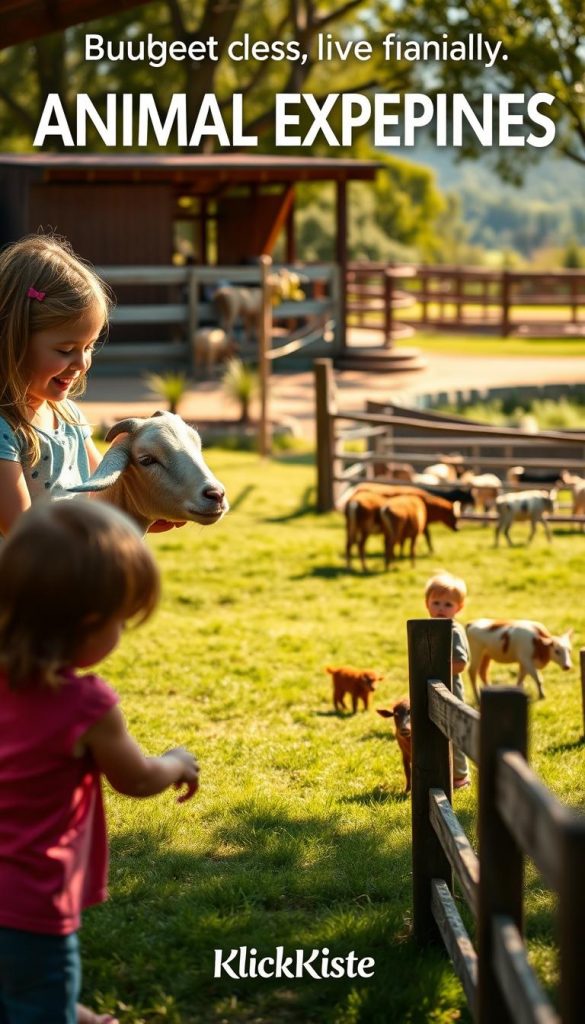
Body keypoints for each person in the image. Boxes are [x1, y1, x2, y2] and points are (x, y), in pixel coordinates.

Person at [0, 500, 200, 1024]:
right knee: (36, 996)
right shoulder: (85, 705)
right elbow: (137, 778)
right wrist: (176, 763)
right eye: (121, 621)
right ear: (90, 623)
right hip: (30, 906)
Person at [0, 233, 181, 537]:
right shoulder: (5, 430)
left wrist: (140, 511)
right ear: (12, 340)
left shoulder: (68, 415)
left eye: (89, 347)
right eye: (65, 350)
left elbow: (100, 493)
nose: (82, 363)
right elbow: (24, 530)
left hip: (75, 562)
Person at [424, 571, 471, 789]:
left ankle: (460, 774)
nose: (441, 608)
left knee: (454, 730)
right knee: (435, 729)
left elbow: (461, 663)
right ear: (427, 604)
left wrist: (436, 668)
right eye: (436, 603)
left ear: (459, 608)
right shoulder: (427, 627)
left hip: (451, 689)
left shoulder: (453, 630)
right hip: (433, 686)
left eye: (448, 604)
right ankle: (439, 768)